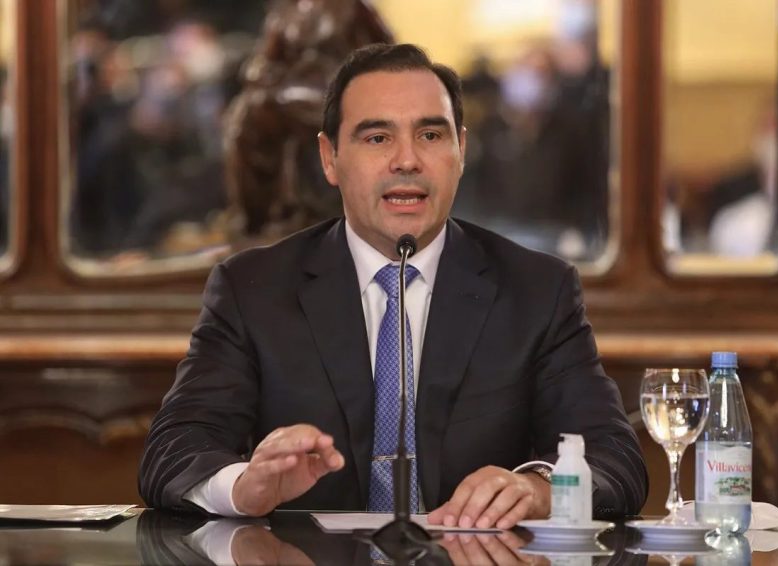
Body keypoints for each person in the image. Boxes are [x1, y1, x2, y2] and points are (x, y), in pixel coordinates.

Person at [139, 43, 647, 530]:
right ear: (330, 158)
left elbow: (615, 460)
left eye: (430, 135)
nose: (407, 160)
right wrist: (242, 487)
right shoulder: (254, 289)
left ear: (461, 150)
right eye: (377, 138)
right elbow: (173, 451)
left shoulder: (537, 290)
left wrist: (542, 489)